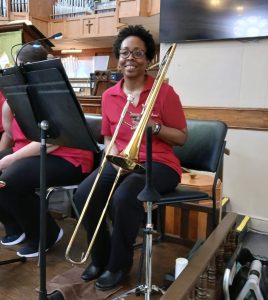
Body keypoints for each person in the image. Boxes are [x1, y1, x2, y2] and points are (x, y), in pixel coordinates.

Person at [74, 25, 188, 291]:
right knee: (82, 194)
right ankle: (99, 258)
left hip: (160, 164)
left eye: (138, 53)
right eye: (125, 52)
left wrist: (154, 128)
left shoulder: (164, 93)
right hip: (123, 161)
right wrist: (114, 158)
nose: (130, 58)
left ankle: (118, 264)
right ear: (118, 56)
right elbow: (107, 138)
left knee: (125, 198)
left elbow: (182, 137)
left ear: (148, 59)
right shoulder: (108, 95)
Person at [0, 44, 94, 258]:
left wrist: (11, 159)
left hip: (69, 157)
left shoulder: (55, 91)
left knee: (9, 181)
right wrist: (9, 104)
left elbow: (53, 141)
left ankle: (46, 234)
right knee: (6, 177)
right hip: (33, 151)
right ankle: (15, 226)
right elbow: (12, 133)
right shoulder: (24, 92)